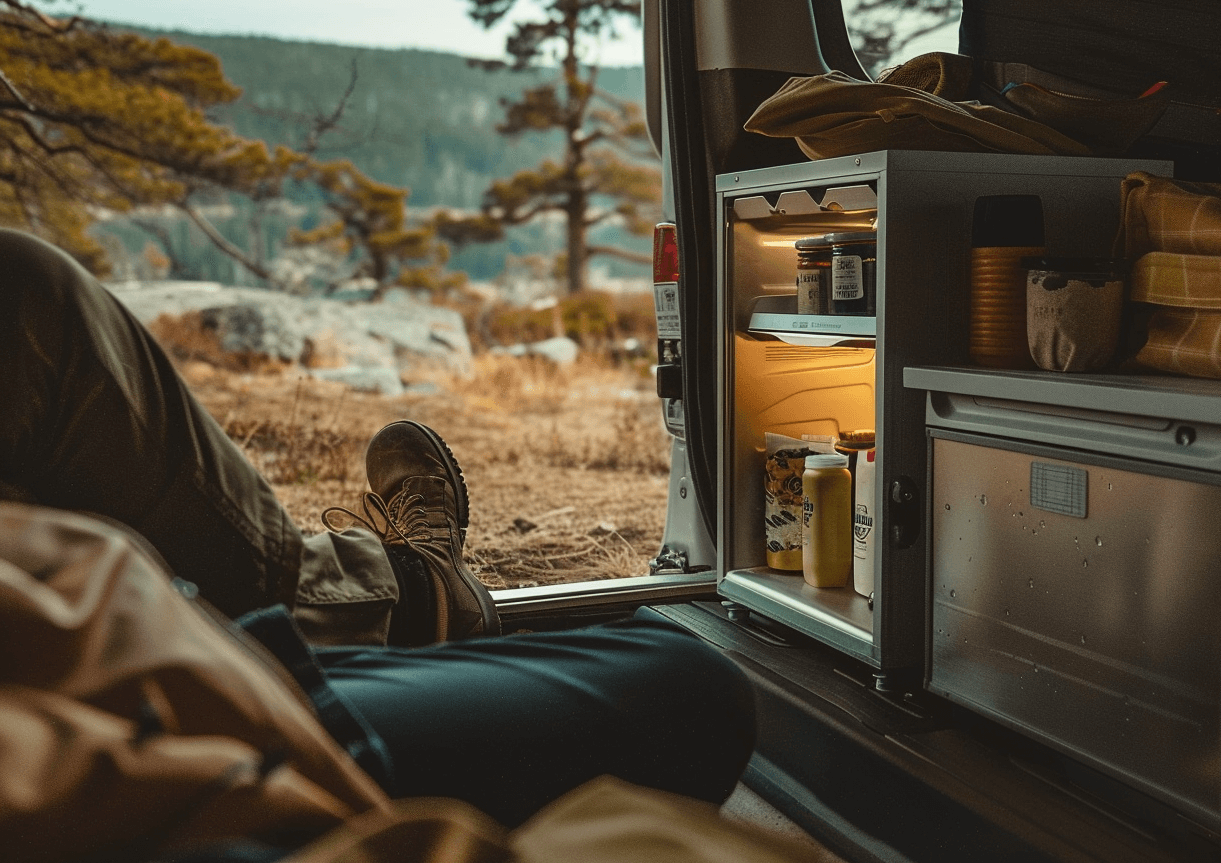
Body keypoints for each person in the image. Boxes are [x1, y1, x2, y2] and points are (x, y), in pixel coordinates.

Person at [0, 228, 756, 832]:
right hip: (131, 733)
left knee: (21, 283)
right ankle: (411, 591)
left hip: (79, 669)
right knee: (689, 682)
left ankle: (379, 593)